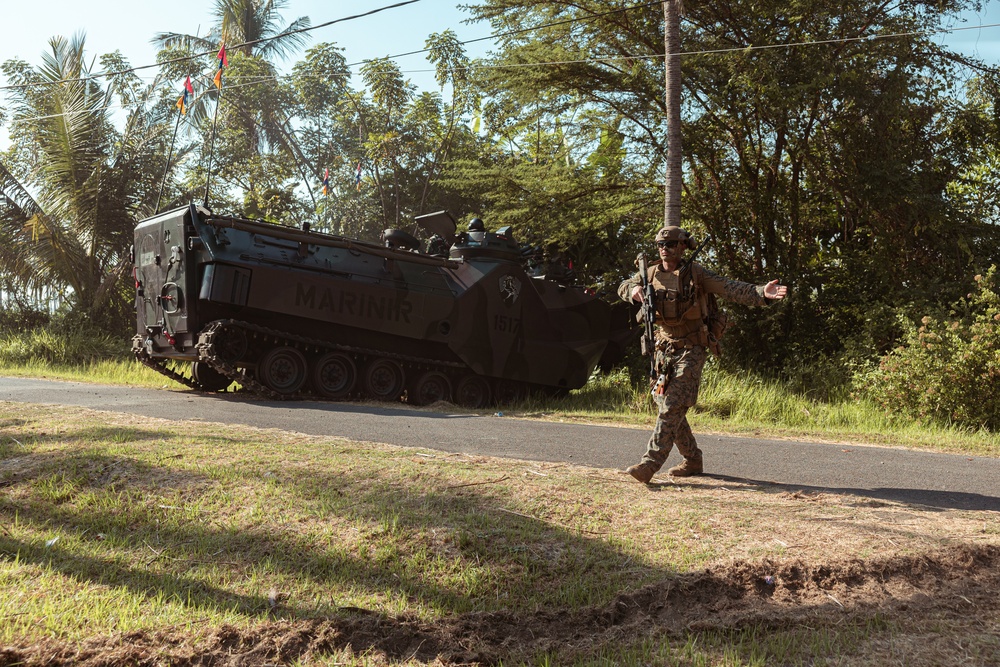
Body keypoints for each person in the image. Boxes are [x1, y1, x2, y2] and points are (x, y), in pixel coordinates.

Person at [618, 226, 787, 483]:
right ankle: (693, 459)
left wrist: (761, 293)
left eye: (672, 243)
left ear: (684, 246)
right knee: (666, 406)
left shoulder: (696, 275)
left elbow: (730, 288)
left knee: (673, 404)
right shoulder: (649, 274)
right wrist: (632, 291)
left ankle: (649, 464)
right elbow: (623, 285)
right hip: (662, 351)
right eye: (661, 244)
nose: (665, 248)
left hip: (691, 348)